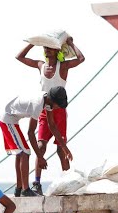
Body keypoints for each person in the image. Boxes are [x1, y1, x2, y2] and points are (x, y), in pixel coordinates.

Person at [16, 35, 85, 195]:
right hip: (42, 108)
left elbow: (81, 58)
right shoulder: (41, 65)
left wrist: (70, 43)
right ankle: (37, 183)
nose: (47, 50)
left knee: (61, 148)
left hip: (58, 110)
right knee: (41, 145)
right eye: (45, 47)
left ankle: (67, 180)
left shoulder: (63, 66)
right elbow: (19, 57)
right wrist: (33, 43)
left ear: (57, 50)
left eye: (50, 47)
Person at [0, 86, 73, 197]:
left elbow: (52, 126)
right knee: (25, 152)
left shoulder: (47, 102)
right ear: (53, 101)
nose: (58, 108)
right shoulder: (38, 104)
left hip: (12, 120)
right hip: (7, 119)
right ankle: (25, 189)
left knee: (21, 153)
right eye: (58, 105)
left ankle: (19, 188)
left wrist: (65, 148)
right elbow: (31, 133)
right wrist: (40, 157)